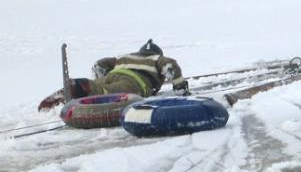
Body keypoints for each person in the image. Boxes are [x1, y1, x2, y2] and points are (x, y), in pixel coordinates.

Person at [38, 39, 190, 111]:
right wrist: (180, 88)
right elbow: (170, 65)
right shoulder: (157, 58)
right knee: (110, 92)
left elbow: (100, 64)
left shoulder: (124, 57)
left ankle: (79, 86)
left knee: (101, 86)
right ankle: (85, 87)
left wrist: (100, 77)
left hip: (113, 73)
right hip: (134, 81)